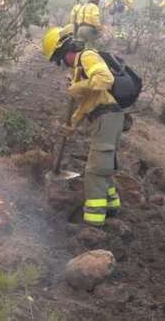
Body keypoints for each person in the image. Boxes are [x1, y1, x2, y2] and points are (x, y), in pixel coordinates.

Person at [42, 26, 124, 227]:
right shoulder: (79, 69)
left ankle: (94, 223)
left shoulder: (87, 57)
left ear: (64, 51)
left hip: (107, 116)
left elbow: (105, 79)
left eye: (59, 60)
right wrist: (73, 125)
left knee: (95, 170)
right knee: (103, 167)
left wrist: (77, 87)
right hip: (104, 117)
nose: (62, 65)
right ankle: (112, 207)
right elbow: (87, 103)